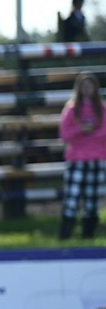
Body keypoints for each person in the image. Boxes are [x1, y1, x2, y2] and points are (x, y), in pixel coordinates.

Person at [58, 71, 106, 240]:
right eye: (84, 86)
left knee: (92, 198)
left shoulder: (102, 109)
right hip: (76, 159)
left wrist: (90, 132)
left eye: (90, 86)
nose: (87, 89)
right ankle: (65, 234)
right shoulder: (72, 109)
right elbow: (65, 134)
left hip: (97, 158)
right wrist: (81, 130)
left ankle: (88, 234)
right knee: (72, 196)